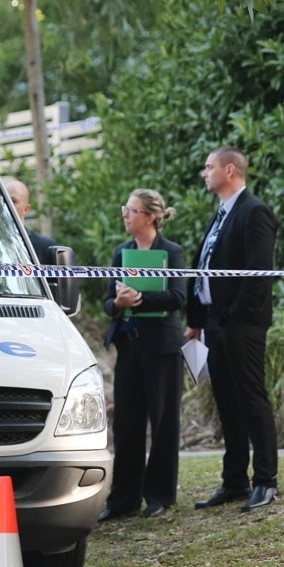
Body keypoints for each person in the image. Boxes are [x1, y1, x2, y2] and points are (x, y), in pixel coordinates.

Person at [184, 147, 280, 512]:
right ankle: (235, 481)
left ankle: (266, 481)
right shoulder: (222, 214)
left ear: (229, 170)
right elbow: (203, 269)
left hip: (241, 325)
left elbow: (258, 274)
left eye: (208, 167)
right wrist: (197, 322)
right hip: (213, 324)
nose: (203, 173)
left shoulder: (254, 211)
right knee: (227, 403)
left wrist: (233, 317)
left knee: (252, 400)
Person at [98, 189, 187, 522]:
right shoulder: (121, 252)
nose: (126, 215)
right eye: (125, 209)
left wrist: (140, 299)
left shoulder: (172, 252)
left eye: (132, 210)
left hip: (162, 348)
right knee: (126, 424)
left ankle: (160, 494)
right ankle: (123, 498)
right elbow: (107, 303)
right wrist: (118, 304)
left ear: (150, 217)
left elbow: (177, 297)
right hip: (129, 346)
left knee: (163, 421)